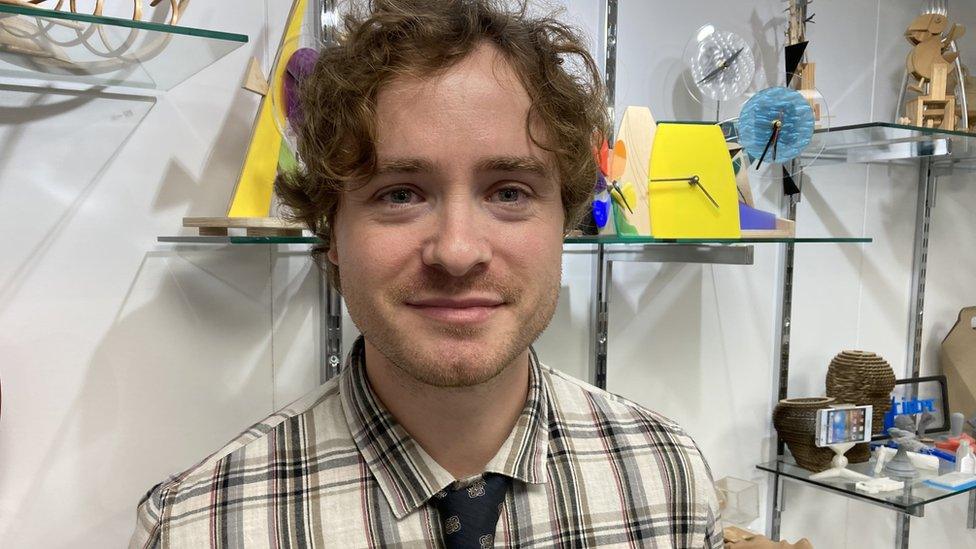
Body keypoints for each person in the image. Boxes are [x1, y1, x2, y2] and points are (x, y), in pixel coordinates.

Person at [130, 1, 722, 547]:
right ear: (331, 230)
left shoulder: (671, 483)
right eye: (400, 194)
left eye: (509, 191)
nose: (458, 251)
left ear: (562, 224)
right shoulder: (200, 526)